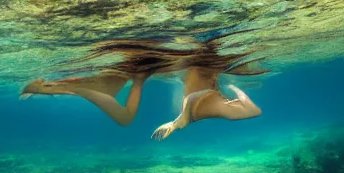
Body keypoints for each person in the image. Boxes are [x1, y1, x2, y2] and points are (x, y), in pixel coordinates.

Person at [20, 36, 264, 138]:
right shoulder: (205, 105)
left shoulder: (206, 106)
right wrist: (234, 90)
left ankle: (46, 87)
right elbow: (251, 111)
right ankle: (46, 87)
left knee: (118, 103)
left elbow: (249, 111)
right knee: (117, 103)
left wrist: (234, 91)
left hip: (152, 67)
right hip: (153, 66)